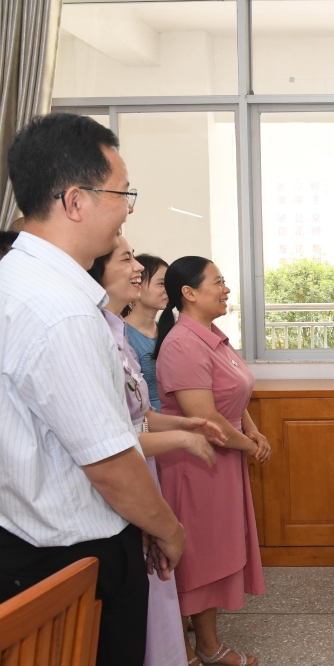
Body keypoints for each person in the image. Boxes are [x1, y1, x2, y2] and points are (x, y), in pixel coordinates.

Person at [0, 113, 185, 666]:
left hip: (22, 539)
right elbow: (108, 462)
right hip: (72, 561)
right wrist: (168, 528)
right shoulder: (61, 312)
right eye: (122, 193)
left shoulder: (15, 279)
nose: (128, 208)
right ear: (76, 201)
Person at [88, 238, 230, 666]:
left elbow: (141, 415)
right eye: (127, 259)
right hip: (121, 478)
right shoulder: (92, 333)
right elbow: (108, 438)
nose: (138, 268)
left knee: (154, 590)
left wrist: (185, 425)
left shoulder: (117, 333)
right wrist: (184, 437)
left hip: (144, 462)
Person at [154, 256, 271, 666]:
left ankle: (204, 644)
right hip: (195, 464)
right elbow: (205, 419)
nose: (226, 289)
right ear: (188, 293)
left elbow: (233, 393)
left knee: (215, 553)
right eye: (218, 282)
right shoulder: (182, 344)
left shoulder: (213, 335)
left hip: (223, 457)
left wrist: (252, 431)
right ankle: (190, 649)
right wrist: (248, 446)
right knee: (196, 558)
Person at [126, 254, 170, 411]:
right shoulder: (122, 334)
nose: (167, 290)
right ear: (137, 283)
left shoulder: (168, 332)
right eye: (161, 284)